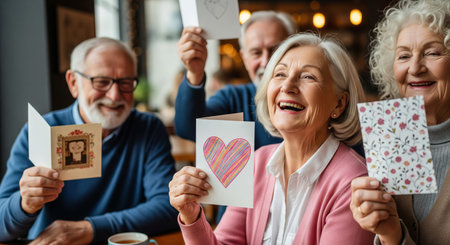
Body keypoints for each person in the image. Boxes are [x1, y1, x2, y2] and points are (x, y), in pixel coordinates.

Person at [169, 33, 375, 244]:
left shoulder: (353, 183)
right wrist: (191, 214)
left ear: (339, 104)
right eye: (280, 74)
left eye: (308, 77)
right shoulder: (256, 162)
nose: (287, 87)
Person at [0, 37, 179, 243]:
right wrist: (24, 204)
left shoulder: (148, 128)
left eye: (126, 83)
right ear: (73, 83)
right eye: (101, 82)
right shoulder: (41, 131)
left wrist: (90, 228)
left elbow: (168, 207)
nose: (114, 95)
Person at [349, 0, 450, 244]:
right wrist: (389, 233)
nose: (415, 67)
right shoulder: (383, 141)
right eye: (404, 55)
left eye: (432, 52)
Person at [174, 11, 296, 150]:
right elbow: (189, 128)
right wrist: (195, 74)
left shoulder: (308, 98)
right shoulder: (233, 98)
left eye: (275, 51)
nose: (265, 62)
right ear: (244, 58)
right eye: (256, 53)